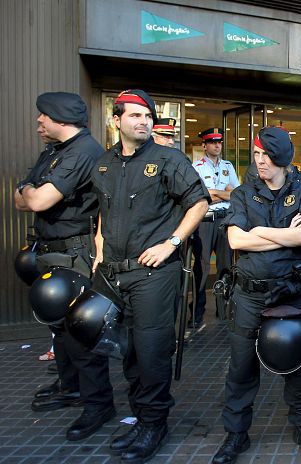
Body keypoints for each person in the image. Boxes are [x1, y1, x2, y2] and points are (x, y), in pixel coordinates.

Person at [91, 89, 209, 462]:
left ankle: (154, 424)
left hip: (153, 273)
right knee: (127, 352)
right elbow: (102, 215)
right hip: (112, 274)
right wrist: (97, 254)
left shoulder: (168, 160)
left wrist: (171, 243)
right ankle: (141, 419)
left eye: (148, 116)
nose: (143, 122)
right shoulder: (103, 163)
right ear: (117, 120)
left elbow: (199, 202)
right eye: (135, 116)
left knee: (152, 352)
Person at [213, 127, 301, 463]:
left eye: (267, 155)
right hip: (249, 294)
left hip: (291, 291)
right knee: (241, 366)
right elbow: (237, 241)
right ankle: (236, 434)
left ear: (283, 158)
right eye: (257, 154)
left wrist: (259, 232)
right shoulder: (243, 194)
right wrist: (280, 234)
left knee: (299, 362)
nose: (260, 161)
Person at [14, 92, 114, 441]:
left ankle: (98, 405)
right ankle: (70, 388)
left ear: (60, 118)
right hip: (52, 251)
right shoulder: (55, 151)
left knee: (81, 335)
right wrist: (29, 191)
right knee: (60, 331)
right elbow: (19, 196)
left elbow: (35, 197)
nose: (38, 122)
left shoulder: (84, 152)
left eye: (43, 116)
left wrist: (29, 190)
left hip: (75, 255)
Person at [192, 128, 240, 323]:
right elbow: (199, 197)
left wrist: (214, 192)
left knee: (225, 267)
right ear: (204, 145)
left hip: (224, 220)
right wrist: (223, 191)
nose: (217, 145)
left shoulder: (228, 165)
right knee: (201, 268)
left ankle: (224, 310)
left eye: (219, 141)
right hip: (204, 221)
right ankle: (196, 313)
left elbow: (236, 195)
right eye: (212, 142)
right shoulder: (196, 167)